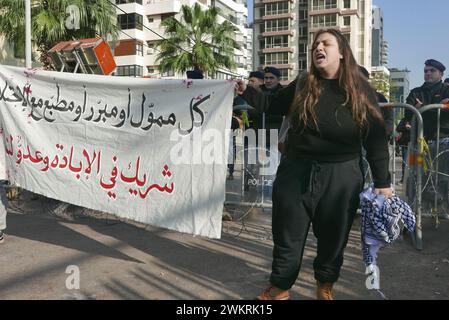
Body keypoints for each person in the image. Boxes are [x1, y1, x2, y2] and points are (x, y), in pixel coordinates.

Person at [236, 28, 392, 300]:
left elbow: (376, 140)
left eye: (326, 44)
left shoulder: (361, 89)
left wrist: (383, 183)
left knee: (333, 239)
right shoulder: (303, 83)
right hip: (295, 171)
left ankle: (325, 285)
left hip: (341, 177)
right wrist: (246, 91)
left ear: (342, 53)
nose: (319, 48)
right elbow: (271, 105)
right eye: (316, 45)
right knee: (287, 234)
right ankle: (280, 287)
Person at [404, 59, 449, 141]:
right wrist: (438, 106)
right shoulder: (415, 92)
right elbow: (407, 113)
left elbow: (446, 113)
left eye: (432, 70)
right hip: (419, 138)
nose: (428, 73)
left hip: (442, 137)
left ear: (441, 74)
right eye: (426, 71)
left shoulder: (447, 90)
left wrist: (420, 109)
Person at [359, 66, 394, 139]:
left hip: (374, 138)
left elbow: (389, 119)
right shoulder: (343, 97)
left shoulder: (379, 98)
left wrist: (382, 134)